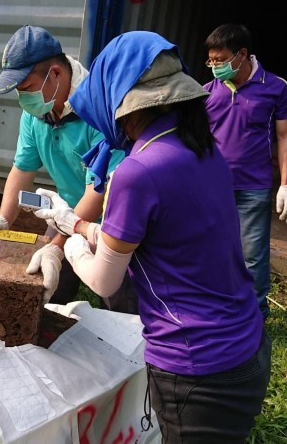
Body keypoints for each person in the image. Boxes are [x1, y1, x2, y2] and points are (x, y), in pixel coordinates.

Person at [37, 31, 271, 443]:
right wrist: (73, 223)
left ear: (121, 103)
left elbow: (104, 280)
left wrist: (69, 248)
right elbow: (135, 238)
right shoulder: (201, 148)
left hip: (198, 370)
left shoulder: (138, 172)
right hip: (246, 346)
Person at [0, 25, 130, 311]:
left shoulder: (98, 112)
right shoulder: (37, 113)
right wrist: (5, 217)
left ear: (55, 74)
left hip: (113, 221)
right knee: (47, 293)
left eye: (26, 89)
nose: (23, 99)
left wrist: (56, 245)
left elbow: (99, 190)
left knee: (117, 299)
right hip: (68, 214)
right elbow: (22, 169)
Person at [203, 24, 287, 320]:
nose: (215, 66)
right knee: (211, 251)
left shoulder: (276, 87)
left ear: (242, 54)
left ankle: (254, 316)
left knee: (252, 257)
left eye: (221, 60)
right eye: (211, 61)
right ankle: (215, 310)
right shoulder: (206, 92)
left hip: (253, 188)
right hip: (213, 186)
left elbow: (285, 136)